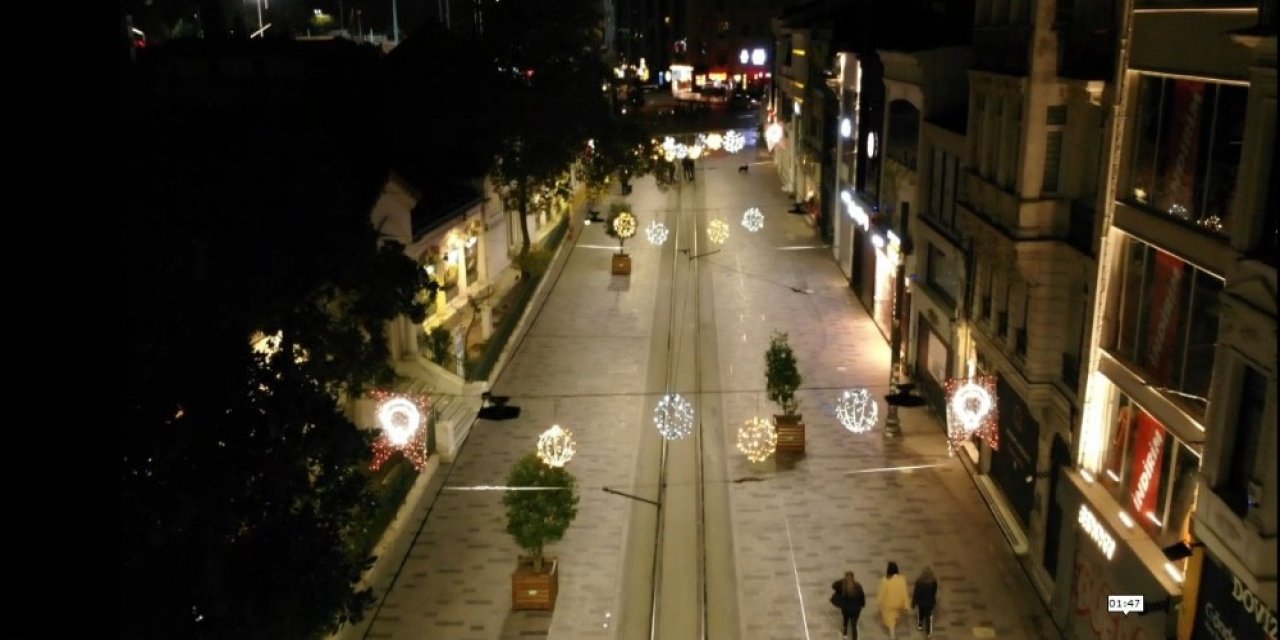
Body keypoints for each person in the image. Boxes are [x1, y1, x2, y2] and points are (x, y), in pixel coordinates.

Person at [877, 561, 910, 639]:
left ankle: (892, 635)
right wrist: (906, 605)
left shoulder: (885, 580)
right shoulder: (901, 579)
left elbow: (881, 593)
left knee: (890, 620)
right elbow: (904, 592)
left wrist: (879, 602)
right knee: (895, 617)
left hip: (888, 604)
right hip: (899, 603)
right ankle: (893, 629)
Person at [830, 571, 866, 639]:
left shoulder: (843, 586)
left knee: (845, 621)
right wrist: (862, 605)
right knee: (854, 625)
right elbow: (862, 597)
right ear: (853, 578)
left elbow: (834, 585)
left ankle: (844, 634)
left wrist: (843, 580)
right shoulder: (858, 586)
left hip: (846, 609)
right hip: (856, 610)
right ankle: (854, 638)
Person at [912, 565, 938, 637]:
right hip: (929, 603)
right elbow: (934, 592)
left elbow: (916, 593)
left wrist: (913, 603)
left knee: (921, 613)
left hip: (921, 602)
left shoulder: (918, 582)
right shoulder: (933, 582)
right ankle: (928, 633)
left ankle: (920, 625)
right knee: (928, 617)